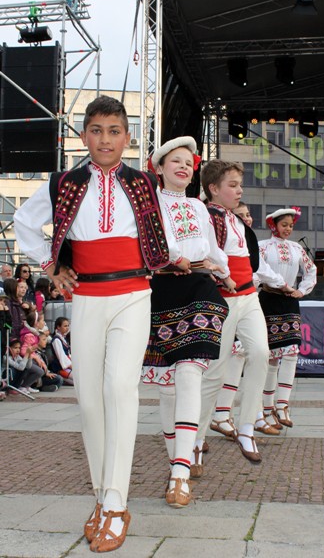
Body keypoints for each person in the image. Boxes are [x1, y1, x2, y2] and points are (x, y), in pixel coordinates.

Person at [13, 95, 169, 553]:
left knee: (120, 387)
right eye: (97, 130)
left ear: (127, 138)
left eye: (114, 131)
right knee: (88, 401)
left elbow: (170, 233)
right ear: (84, 136)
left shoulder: (145, 183)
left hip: (134, 294)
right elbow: (23, 222)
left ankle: (117, 503)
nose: (105, 139)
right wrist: (50, 266)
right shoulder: (63, 182)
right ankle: (102, 496)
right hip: (85, 297)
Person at [142, 136, 231, 508]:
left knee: (191, 372)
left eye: (188, 162)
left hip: (199, 289)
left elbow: (213, 249)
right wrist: (177, 257)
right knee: (167, 387)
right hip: (161, 290)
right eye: (174, 160)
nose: (182, 166)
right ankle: (177, 461)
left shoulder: (198, 206)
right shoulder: (148, 204)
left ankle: (181, 470)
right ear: (160, 168)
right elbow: (154, 244)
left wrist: (225, 273)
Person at [193, 160, 293, 467]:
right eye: (233, 185)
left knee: (261, 353)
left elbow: (251, 263)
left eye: (240, 185)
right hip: (224, 300)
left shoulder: (235, 220)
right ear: (213, 188)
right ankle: (195, 438)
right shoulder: (208, 216)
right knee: (215, 370)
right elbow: (206, 254)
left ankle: (248, 426)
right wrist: (220, 275)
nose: (239, 191)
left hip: (248, 296)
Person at [259, 207, 317, 429]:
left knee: (292, 351)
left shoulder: (296, 248)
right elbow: (257, 272)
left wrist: (301, 290)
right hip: (268, 300)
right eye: (284, 225)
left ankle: (283, 404)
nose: (288, 229)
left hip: (289, 300)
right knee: (271, 356)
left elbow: (311, 270)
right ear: (273, 225)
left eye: (291, 226)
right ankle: (268, 408)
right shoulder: (263, 246)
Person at [51, 317, 73, 385]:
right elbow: (61, 356)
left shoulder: (63, 338)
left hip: (67, 365)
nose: (67, 328)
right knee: (78, 380)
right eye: (65, 326)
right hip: (60, 367)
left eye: (68, 326)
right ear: (58, 327)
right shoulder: (56, 340)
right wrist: (71, 366)